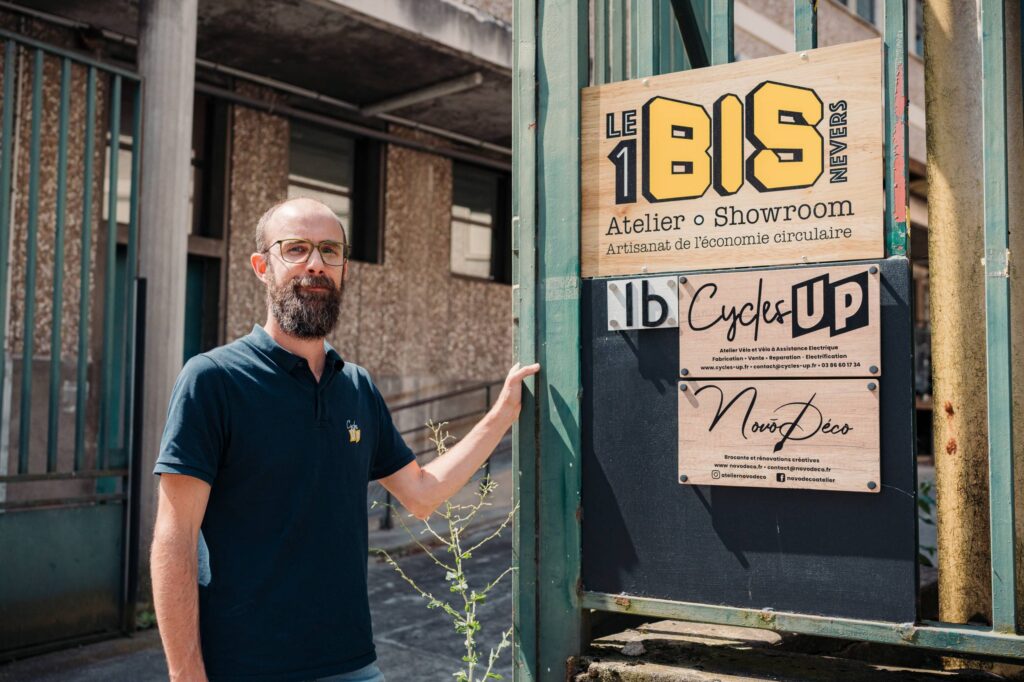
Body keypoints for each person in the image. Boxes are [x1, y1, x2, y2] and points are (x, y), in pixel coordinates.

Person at [150, 197, 539, 682]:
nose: (315, 263)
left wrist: (502, 413)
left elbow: (420, 493)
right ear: (261, 266)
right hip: (245, 666)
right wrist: (186, 675)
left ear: (344, 268)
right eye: (295, 249)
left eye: (329, 251)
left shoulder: (355, 386)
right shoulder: (213, 380)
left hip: (353, 665)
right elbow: (175, 539)